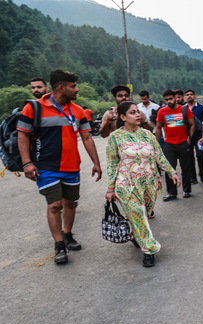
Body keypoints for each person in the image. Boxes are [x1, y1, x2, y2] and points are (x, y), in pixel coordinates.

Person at [17, 69, 102, 264]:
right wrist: (27, 163)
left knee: (69, 203)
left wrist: (96, 163)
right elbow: (23, 135)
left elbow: (87, 137)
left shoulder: (78, 110)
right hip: (46, 166)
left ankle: (67, 234)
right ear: (61, 87)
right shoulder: (33, 108)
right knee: (54, 205)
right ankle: (59, 246)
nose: (76, 89)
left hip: (72, 166)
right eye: (73, 86)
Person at [105, 101, 181, 267]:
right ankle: (149, 249)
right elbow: (112, 164)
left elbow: (159, 156)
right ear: (123, 117)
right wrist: (110, 188)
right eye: (133, 112)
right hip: (126, 184)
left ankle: (134, 235)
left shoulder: (147, 134)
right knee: (137, 213)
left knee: (144, 212)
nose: (138, 115)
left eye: (138, 112)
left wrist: (172, 172)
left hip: (149, 182)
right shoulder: (115, 137)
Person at [154, 89, 195, 201]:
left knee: (185, 168)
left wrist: (189, 139)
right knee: (169, 169)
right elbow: (158, 128)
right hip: (169, 144)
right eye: (166, 100)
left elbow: (192, 124)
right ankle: (172, 193)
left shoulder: (184, 109)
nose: (169, 101)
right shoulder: (162, 111)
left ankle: (186, 190)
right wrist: (156, 144)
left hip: (183, 143)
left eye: (171, 99)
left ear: (176, 98)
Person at [184, 89, 203, 184]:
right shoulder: (183, 109)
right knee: (189, 157)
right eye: (187, 94)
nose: (189, 96)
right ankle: (193, 177)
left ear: (194, 96)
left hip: (199, 135)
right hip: (188, 135)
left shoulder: (201, 108)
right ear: (185, 97)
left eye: (191, 94)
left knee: (200, 155)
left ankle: (201, 173)